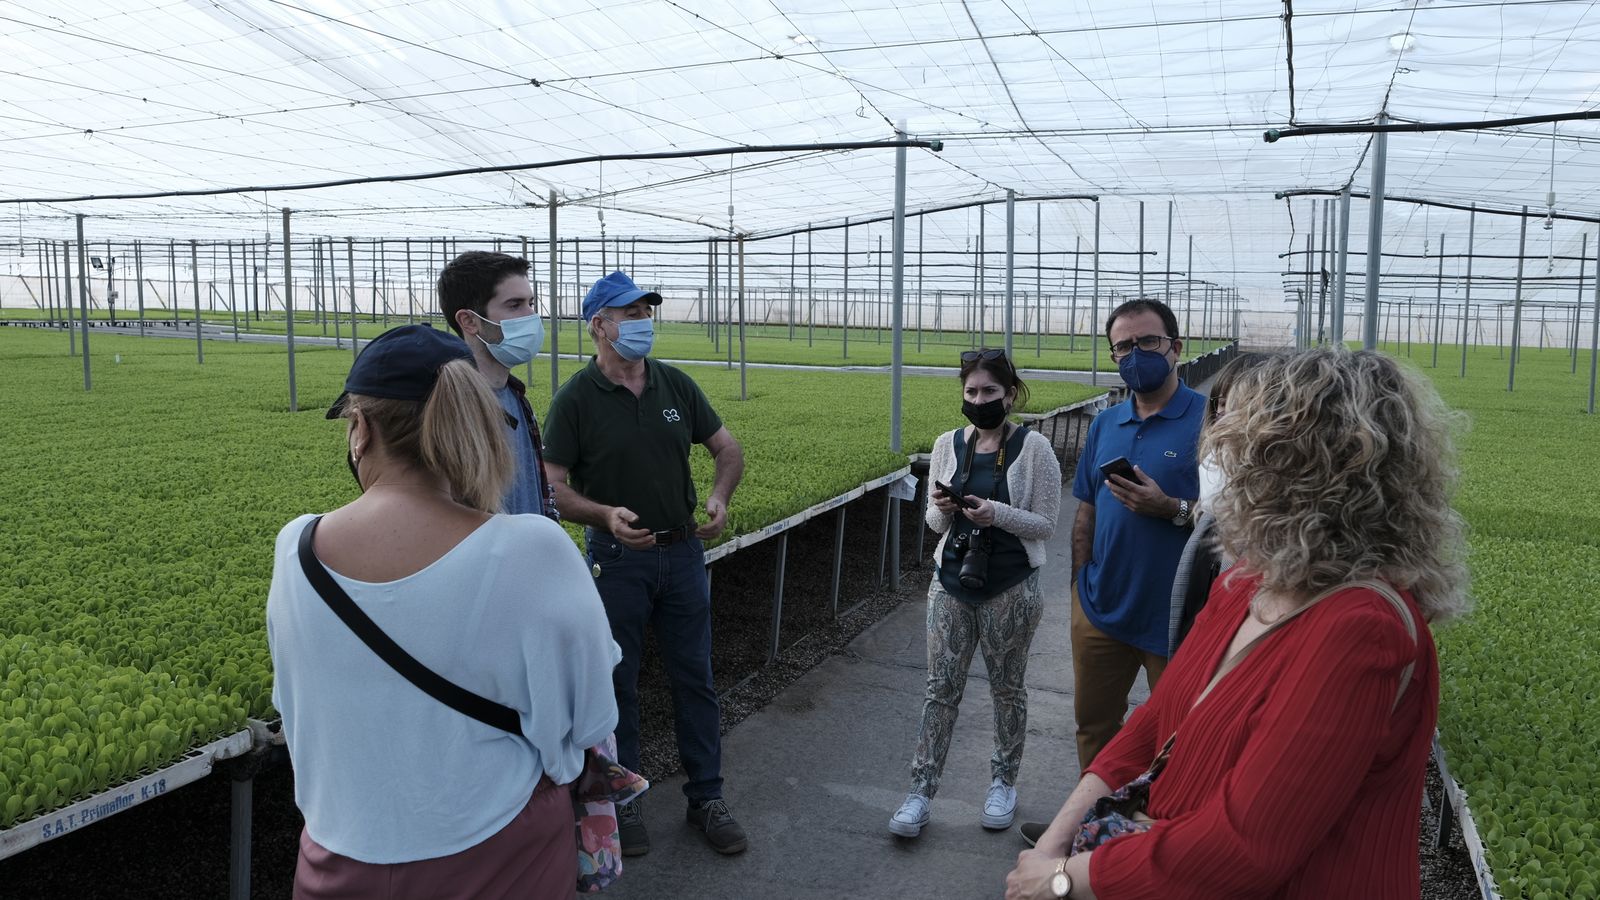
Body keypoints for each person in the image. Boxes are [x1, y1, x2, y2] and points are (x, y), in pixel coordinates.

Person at [1004, 347, 1467, 899]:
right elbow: (1153, 722)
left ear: (1298, 466)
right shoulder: (1246, 581)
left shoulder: (1360, 627)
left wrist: (1059, 882)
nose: (1218, 449)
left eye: (1238, 436)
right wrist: (1056, 840)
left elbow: (1244, 849)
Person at [267, 324, 622, 899]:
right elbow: (590, 722)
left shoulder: (296, 549)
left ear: (360, 430)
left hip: (336, 857)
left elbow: (296, 703)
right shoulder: (533, 549)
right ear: (477, 429)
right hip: (501, 854)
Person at [540, 270, 749, 857]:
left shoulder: (675, 385)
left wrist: (719, 497)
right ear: (599, 326)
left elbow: (727, 448)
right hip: (616, 562)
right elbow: (553, 487)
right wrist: (605, 515)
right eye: (629, 314)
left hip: (682, 553)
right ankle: (623, 805)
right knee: (616, 683)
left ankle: (706, 798)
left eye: (645, 312)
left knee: (695, 680)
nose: (642, 323)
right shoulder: (576, 400)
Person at [888, 348, 1062, 839]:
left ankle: (1002, 782)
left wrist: (996, 514)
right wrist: (946, 506)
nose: (979, 400)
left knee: (1008, 689)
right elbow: (933, 522)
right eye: (971, 392)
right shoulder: (949, 443)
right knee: (940, 691)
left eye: (989, 392)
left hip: (1010, 586)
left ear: (1010, 395)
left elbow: (1046, 524)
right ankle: (920, 792)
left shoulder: (1034, 449)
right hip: (951, 584)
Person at [1069, 298, 1204, 771]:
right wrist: (1079, 582)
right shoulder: (1106, 422)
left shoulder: (1212, 421)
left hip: (1176, 619)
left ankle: (1149, 832)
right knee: (1095, 724)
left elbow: (1238, 516)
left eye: (1148, 341)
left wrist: (1171, 508)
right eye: (1122, 347)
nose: (1135, 354)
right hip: (1101, 607)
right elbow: (1086, 507)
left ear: (1176, 348)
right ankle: (1089, 825)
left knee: (1176, 737)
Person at [1166, 351, 1272, 657]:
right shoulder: (1215, 509)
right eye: (1220, 404)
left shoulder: (1271, 523)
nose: (1224, 415)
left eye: (1238, 406)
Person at [439, 250, 557, 519]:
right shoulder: (450, 406)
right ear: (469, 321)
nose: (531, 316)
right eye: (515, 305)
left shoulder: (515, 397)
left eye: (531, 303)